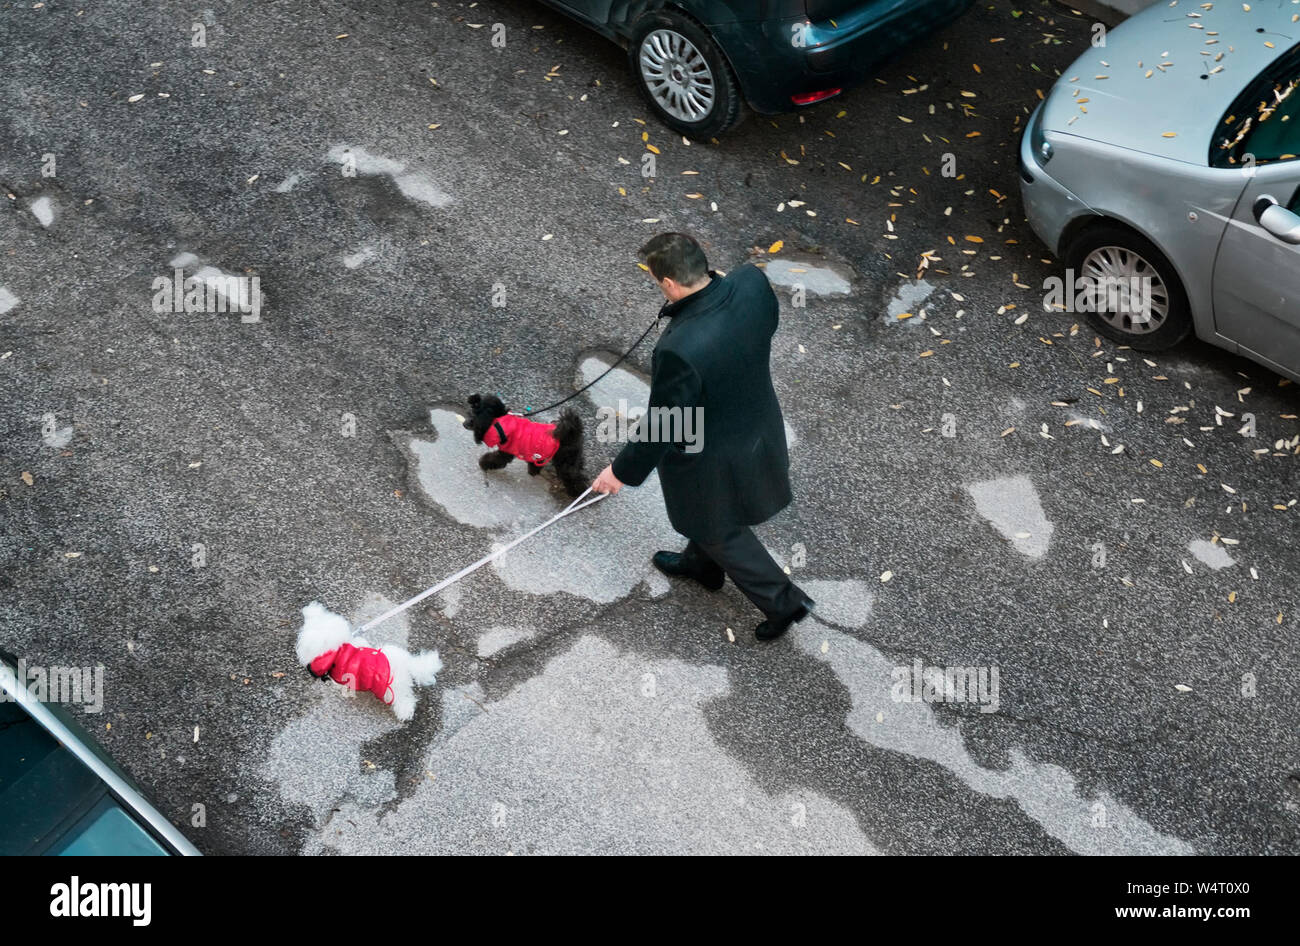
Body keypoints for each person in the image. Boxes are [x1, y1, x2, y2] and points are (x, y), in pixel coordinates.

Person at [591, 233, 814, 641]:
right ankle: (703, 566)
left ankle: (784, 602)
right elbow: (762, 323)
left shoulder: (680, 349)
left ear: (670, 285)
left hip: (710, 447)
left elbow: (666, 423)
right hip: (757, 421)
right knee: (701, 512)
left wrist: (620, 472)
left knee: (718, 528)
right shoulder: (751, 283)